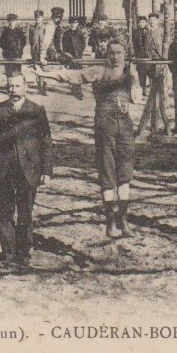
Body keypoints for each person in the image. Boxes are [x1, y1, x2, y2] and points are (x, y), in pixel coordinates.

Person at [34, 41, 143, 238]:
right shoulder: (98, 71)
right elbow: (70, 76)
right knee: (107, 171)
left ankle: (124, 220)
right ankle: (110, 222)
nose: (115, 56)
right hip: (105, 124)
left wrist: (134, 77)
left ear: (125, 54)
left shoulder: (131, 73)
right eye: (112, 53)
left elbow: (137, 98)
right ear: (106, 54)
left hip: (125, 126)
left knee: (125, 174)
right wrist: (44, 74)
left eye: (119, 53)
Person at [0, 73, 53, 268]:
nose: (13, 90)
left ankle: (24, 253)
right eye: (10, 86)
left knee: (25, 213)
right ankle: (8, 255)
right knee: (5, 213)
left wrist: (46, 170)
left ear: (25, 88)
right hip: (3, 170)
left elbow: (46, 142)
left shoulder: (36, 111)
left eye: (17, 86)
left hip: (29, 170)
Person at [29, 10, 51, 95]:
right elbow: (31, 42)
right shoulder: (32, 29)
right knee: (37, 70)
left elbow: (49, 40)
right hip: (35, 52)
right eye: (37, 17)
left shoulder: (45, 28)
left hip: (44, 52)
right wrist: (33, 50)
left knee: (44, 70)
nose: (38, 19)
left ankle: (45, 89)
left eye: (40, 17)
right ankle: (39, 88)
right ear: (35, 18)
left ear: (42, 18)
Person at [131, 15, 152, 96]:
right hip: (139, 54)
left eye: (143, 22)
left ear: (146, 23)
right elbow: (133, 42)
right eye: (140, 22)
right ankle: (143, 89)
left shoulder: (148, 31)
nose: (141, 24)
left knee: (149, 71)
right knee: (141, 72)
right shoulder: (135, 32)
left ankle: (150, 88)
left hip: (147, 55)